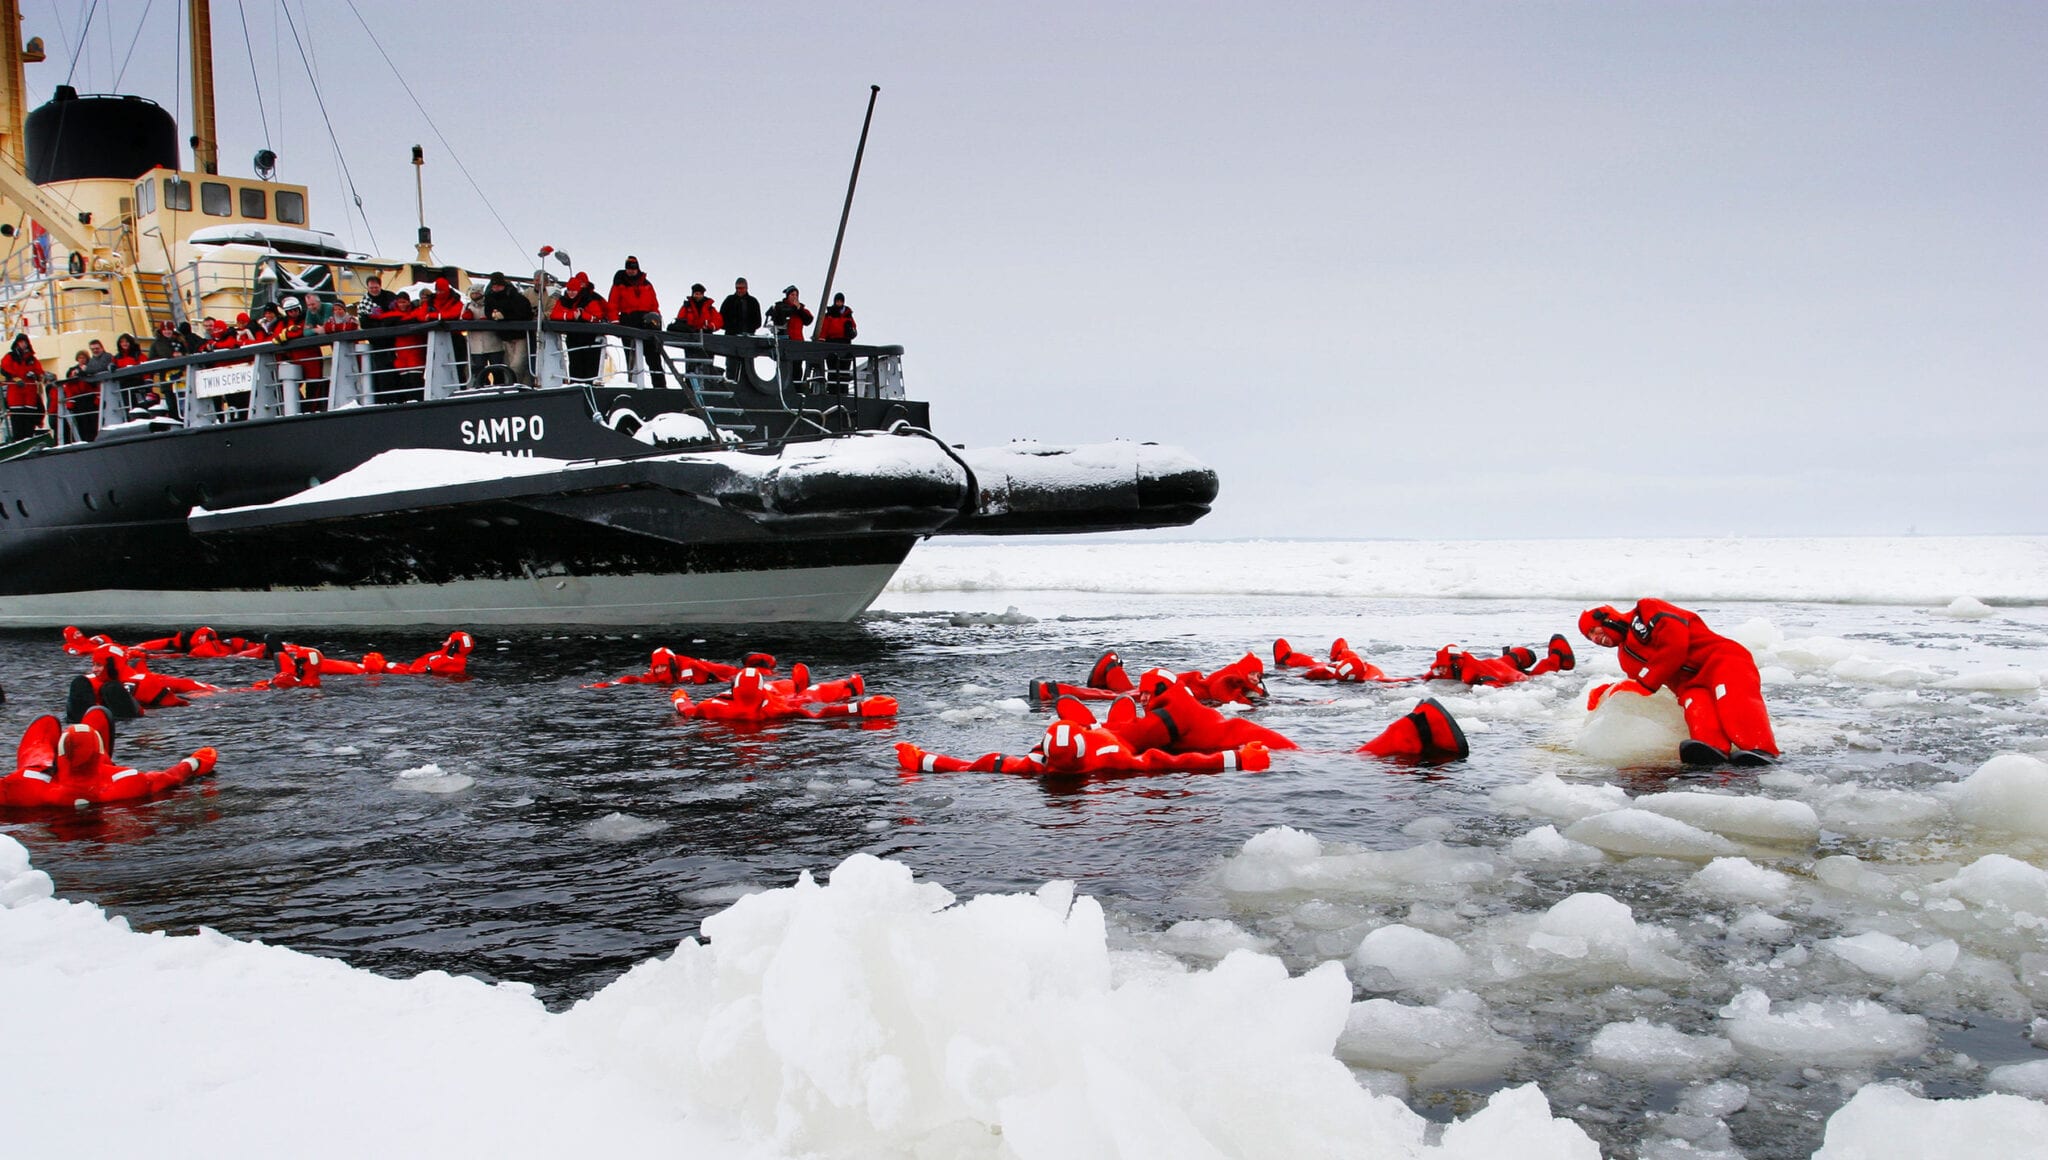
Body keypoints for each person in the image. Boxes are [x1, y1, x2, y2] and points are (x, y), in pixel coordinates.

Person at [1579, 600, 1779, 766]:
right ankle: (1712, 751)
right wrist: (1608, 691)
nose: (1595, 639)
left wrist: (1645, 683)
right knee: (1698, 711)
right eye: (1590, 638)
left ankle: (1761, 750)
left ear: (1606, 618)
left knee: (1733, 702)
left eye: (1594, 631)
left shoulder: (1648, 609)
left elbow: (1674, 645)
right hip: (1689, 684)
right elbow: (1638, 683)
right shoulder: (1626, 656)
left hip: (1722, 661)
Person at [894, 696, 1269, 778]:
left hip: (1109, 736)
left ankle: (1103, 717)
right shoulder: (1045, 761)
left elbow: (983, 764)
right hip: (1107, 738)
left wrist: (925, 760)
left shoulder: (1045, 763)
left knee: (1120, 726)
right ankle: (1106, 716)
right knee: (1121, 725)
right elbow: (1169, 761)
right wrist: (1237, 759)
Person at [1, 710, 217, 808]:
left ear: (61, 754)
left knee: (42, 735)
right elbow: (169, 777)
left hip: (47, 784)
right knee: (97, 719)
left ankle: (62, 752)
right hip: (104, 785)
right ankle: (96, 748)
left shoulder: (24, 783)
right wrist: (195, 761)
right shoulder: (128, 782)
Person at [606, 256, 664, 388]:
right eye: (628, 268)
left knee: (654, 357)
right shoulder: (619, 284)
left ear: (638, 268)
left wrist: (656, 319)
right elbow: (613, 304)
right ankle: (634, 385)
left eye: (633, 268)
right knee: (631, 358)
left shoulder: (647, 285)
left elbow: (654, 305)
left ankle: (660, 386)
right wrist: (615, 321)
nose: (631, 271)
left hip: (647, 322)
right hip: (628, 320)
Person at [549, 272, 610, 381]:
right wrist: (571, 315)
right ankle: (575, 386)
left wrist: (583, 315)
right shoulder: (563, 301)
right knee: (574, 365)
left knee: (589, 368)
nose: (571, 293)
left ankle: (588, 386)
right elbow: (554, 315)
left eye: (574, 290)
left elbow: (598, 317)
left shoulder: (589, 299)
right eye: (569, 290)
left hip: (589, 339)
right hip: (573, 337)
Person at [480, 271, 535, 385]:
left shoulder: (515, 297)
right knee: (509, 366)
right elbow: (488, 311)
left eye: (498, 285)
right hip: (505, 337)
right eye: (494, 286)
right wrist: (492, 315)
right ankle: (516, 387)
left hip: (520, 336)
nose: (496, 288)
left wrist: (505, 316)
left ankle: (515, 387)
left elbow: (525, 314)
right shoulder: (490, 298)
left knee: (517, 365)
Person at [718, 277, 763, 384]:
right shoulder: (729, 300)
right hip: (731, 337)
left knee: (747, 365)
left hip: (747, 338)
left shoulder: (753, 302)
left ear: (746, 288)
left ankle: (745, 386)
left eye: (742, 288)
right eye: (737, 288)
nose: (739, 290)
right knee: (731, 364)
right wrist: (730, 327)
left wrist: (749, 330)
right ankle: (731, 384)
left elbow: (758, 321)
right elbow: (721, 319)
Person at [2, 333, 45, 442]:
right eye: (21, 342)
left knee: (29, 425)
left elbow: (40, 373)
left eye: (25, 342)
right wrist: (15, 378)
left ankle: (29, 441)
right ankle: (19, 443)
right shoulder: (10, 357)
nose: (23, 344)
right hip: (16, 397)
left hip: (30, 397)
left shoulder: (32, 359)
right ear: (17, 343)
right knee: (17, 424)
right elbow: (4, 369)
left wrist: (35, 375)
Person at [817, 292, 857, 393]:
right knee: (833, 369)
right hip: (831, 343)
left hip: (845, 344)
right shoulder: (829, 314)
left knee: (844, 370)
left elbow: (854, 329)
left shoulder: (848, 315)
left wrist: (851, 332)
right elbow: (824, 328)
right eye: (837, 301)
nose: (839, 303)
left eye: (841, 301)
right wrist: (821, 340)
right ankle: (832, 390)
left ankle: (844, 391)